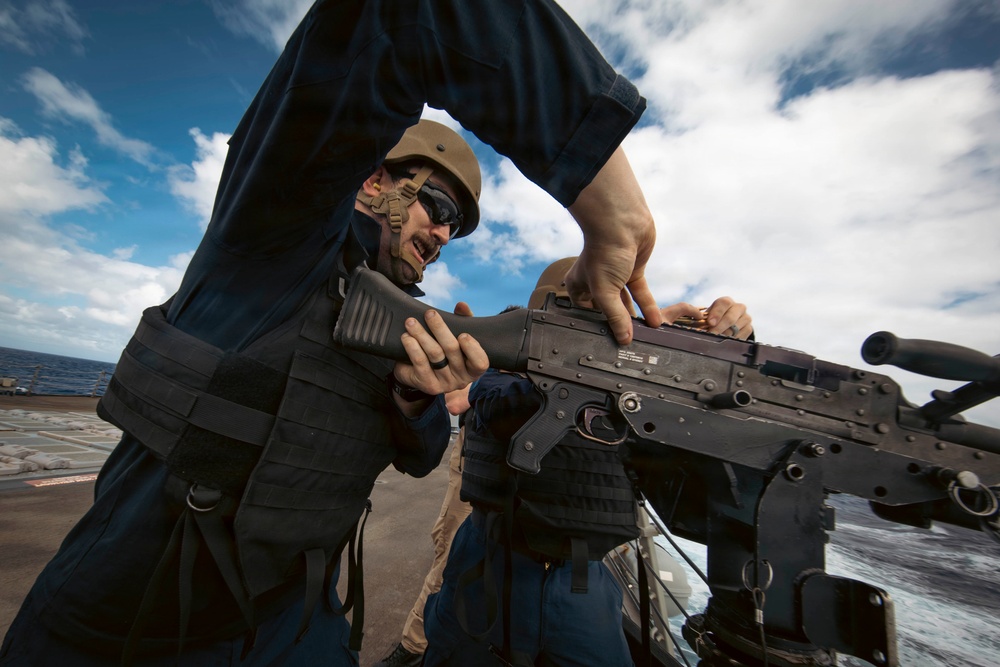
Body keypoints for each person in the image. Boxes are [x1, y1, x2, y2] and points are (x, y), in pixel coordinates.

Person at [1, 1, 661, 666]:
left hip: (295, 621)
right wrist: (610, 203)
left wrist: (414, 397)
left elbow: (422, 453)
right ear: (373, 180)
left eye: (454, 227)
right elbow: (403, 16)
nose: (441, 234)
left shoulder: (397, 312)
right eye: (437, 208)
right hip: (128, 621)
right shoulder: (274, 232)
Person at [421, 258, 754, 667]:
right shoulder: (506, 363)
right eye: (571, 308)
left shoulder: (632, 390)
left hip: (583, 581)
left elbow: (705, 461)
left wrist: (717, 356)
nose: (589, 326)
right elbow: (498, 408)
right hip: (492, 561)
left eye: (602, 316)